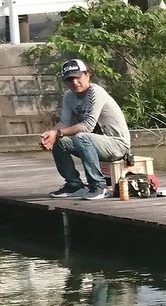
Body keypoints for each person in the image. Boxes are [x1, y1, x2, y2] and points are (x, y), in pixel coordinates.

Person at [38, 59, 131, 200]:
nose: (74, 82)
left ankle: (99, 186)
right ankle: (74, 185)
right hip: (92, 143)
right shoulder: (69, 96)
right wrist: (50, 135)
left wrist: (58, 133)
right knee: (59, 141)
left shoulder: (96, 92)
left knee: (81, 136)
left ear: (87, 75)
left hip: (117, 144)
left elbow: (87, 126)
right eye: (70, 80)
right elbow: (64, 122)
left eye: (77, 77)